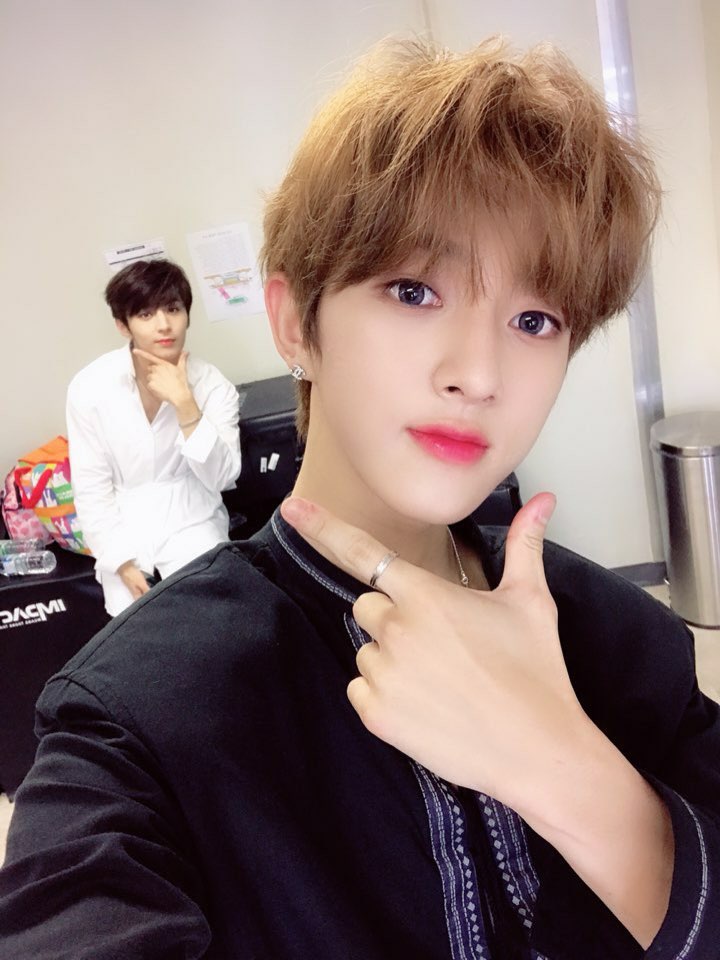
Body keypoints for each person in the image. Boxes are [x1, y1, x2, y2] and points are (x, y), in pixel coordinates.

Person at [0, 37, 718, 959]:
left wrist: (562, 768)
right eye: (414, 290)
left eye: (535, 319)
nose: (479, 373)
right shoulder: (136, 717)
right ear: (296, 323)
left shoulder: (628, 638)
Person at [65, 258, 242, 615]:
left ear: (187, 315)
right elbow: (91, 487)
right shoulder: (90, 388)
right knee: (139, 632)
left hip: (196, 525)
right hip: (123, 532)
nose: (164, 325)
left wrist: (185, 406)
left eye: (173, 309)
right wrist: (121, 562)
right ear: (123, 325)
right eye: (146, 314)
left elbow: (223, 477)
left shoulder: (212, 386)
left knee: (213, 622)